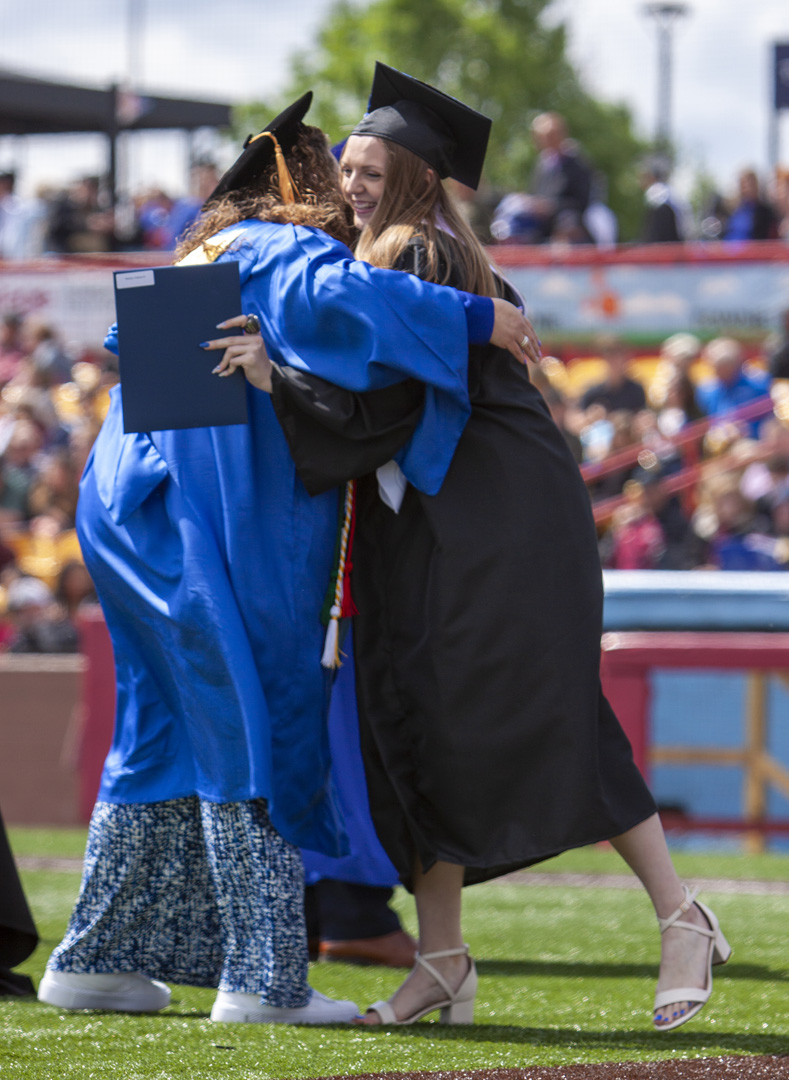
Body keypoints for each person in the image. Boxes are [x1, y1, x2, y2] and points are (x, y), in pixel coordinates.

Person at [227, 63, 730, 1034]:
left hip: (493, 521)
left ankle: (683, 914)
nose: (356, 183)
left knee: (541, 715)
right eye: (350, 168)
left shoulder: (416, 251)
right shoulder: (384, 252)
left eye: (375, 169)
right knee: (413, 722)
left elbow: (380, 409)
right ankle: (443, 961)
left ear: (419, 177)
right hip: (433, 521)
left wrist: (271, 381)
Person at [38, 92, 534, 1025]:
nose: (348, 200)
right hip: (213, 534)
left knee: (161, 737)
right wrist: (480, 320)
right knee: (257, 723)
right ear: (296, 185)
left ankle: (95, 961)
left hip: (127, 520)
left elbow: (164, 391)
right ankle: (263, 983)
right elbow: (352, 299)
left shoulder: (199, 253)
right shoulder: (283, 248)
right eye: (333, 179)